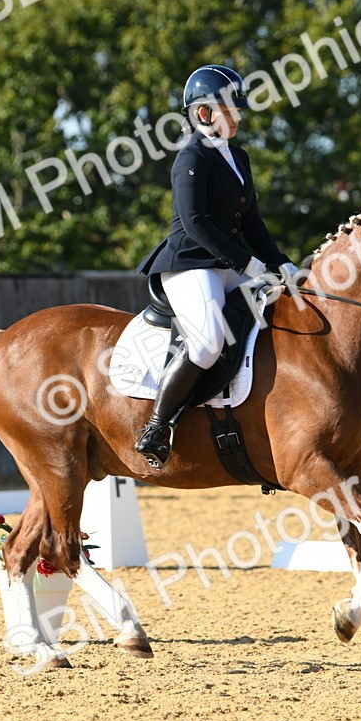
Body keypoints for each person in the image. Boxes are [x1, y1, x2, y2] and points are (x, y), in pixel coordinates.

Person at [134, 64, 297, 469]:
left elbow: (252, 222)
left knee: (285, 307)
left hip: (230, 263)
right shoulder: (191, 157)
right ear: (204, 113)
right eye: (231, 110)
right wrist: (250, 263)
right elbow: (196, 223)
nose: (239, 117)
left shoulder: (238, 156)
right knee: (207, 340)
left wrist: (283, 263)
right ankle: (157, 426)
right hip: (190, 264)